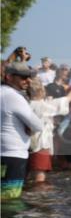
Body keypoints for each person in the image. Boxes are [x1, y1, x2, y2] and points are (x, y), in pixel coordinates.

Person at [27, 75, 71, 185]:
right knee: (40, 177)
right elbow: (68, 99)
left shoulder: (24, 104)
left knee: (26, 175)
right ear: (41, 91)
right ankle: (38, 198)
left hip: (24, 145)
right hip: (40, 145)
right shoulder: (45, 106)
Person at [1, 62, 44, 201]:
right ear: (9, 77)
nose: (28, 81)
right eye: (23, 77)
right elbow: (37, 125)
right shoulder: (14, 96)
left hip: (4, 154)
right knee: (10, 199)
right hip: (13, 156)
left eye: (29, 77)